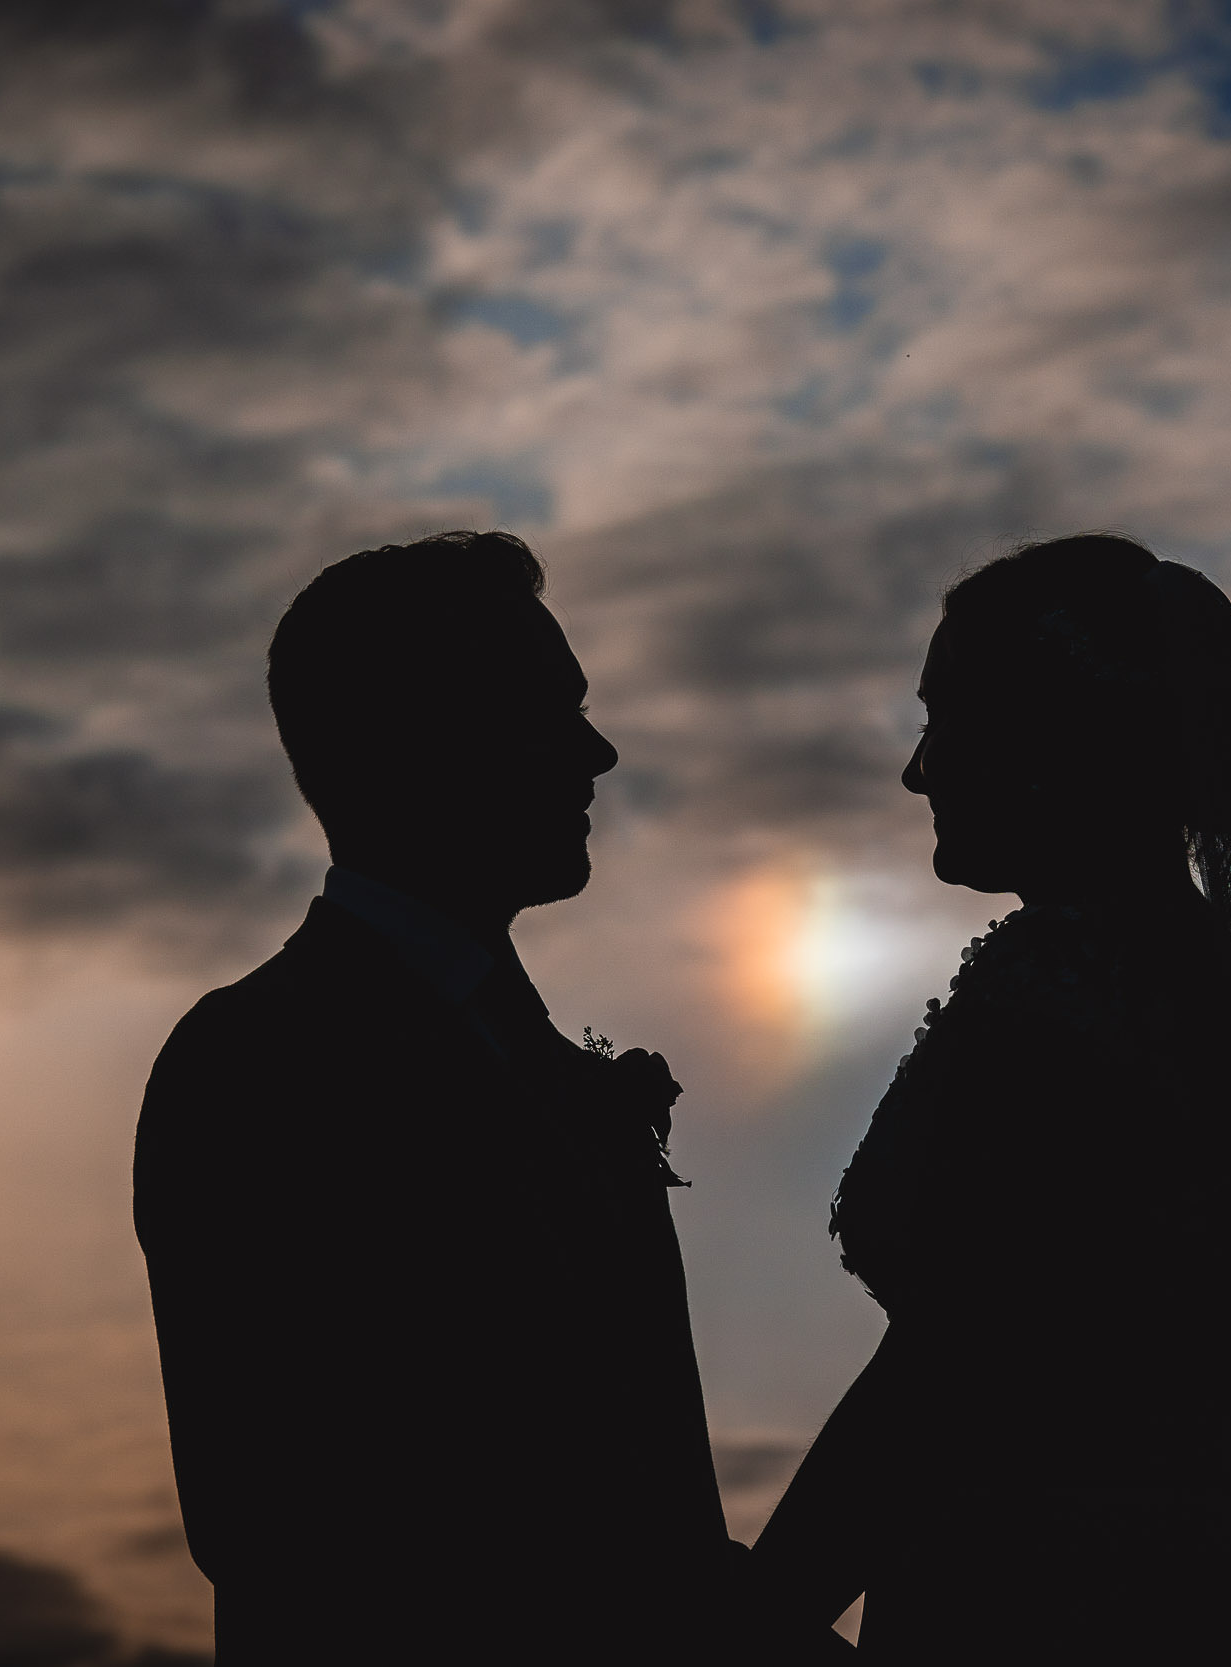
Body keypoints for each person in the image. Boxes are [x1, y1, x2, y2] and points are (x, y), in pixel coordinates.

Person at [134, 531, 844, 1662]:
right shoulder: (254, 1061)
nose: (597, 752)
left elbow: (652, 1489)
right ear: (421, 738)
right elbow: (269, 1512)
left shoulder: (558, 1073)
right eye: (548, 711)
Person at [750, 534, 1231, 1663]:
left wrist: (756, 1612)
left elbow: (952, 1369)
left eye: (944, 716)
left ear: (1048, 738)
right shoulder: (1193, 982)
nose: (917, 770)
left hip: (1044, 1605)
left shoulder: (1068, 994)